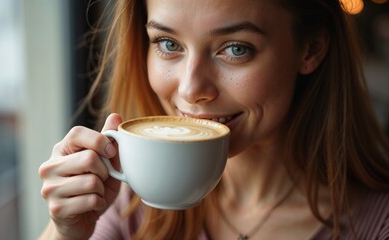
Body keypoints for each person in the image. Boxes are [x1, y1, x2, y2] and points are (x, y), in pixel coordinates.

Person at [38, 0, 389, 239]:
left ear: (310, 48)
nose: (192, 90)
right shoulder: (130, 207)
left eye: (236, 48)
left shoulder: (377, 225)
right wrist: (64, 232)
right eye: (168, 43)